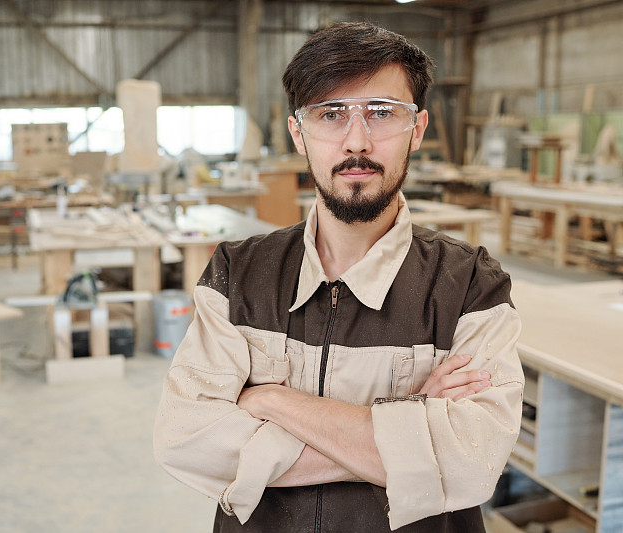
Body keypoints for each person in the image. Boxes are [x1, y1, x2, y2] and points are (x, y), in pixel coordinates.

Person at [154, 21, 523, 532]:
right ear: (298, 133)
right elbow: (187, 440)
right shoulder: (237, 274)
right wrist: (414, 424)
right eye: (331, 114)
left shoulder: (469, 285)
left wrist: (269, 400)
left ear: (417, 129)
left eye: (381, 113)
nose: (357, 140)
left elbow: (472, 460)